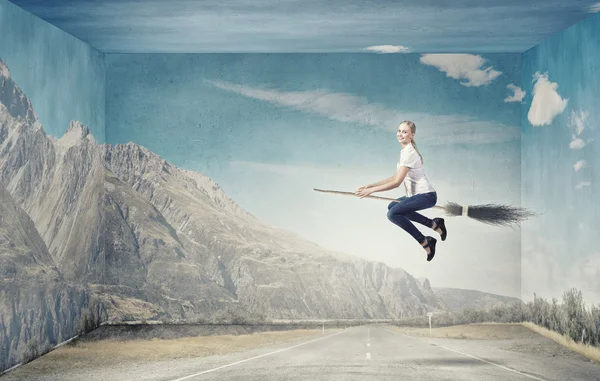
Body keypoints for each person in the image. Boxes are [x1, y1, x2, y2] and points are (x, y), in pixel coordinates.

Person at [355, 120, 447, 261]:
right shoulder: (404, 152)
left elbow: (397, 183)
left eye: (404, 132)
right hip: (417, 196)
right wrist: (370, 185)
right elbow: (394, 177)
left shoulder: (409, 153)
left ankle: (425, 241)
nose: (400, 134)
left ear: (412, 135)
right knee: (392, 206)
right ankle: (434, 224)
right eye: (399, 131)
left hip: (426, 196)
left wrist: (372, 191)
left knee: (392, 214)